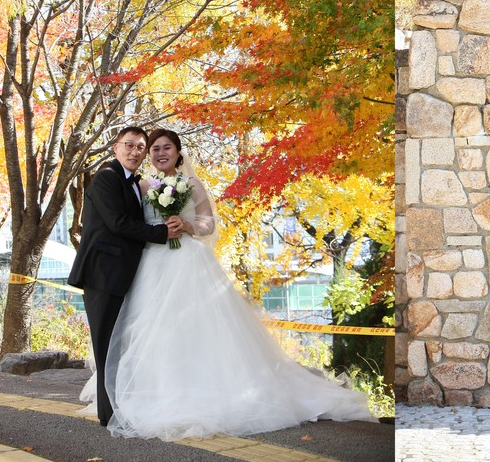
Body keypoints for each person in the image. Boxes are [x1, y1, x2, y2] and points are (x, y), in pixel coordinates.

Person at [95, 128, 375, 440]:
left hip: (187, 261)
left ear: (178, 152)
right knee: (149, 330)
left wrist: (186, 224)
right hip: (150, 263)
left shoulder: (192, 184)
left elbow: (208, 224)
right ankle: (153, 393)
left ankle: (205, 394)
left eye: (167, 148)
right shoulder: (141, 185)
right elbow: (130, 223)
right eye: (155, 149)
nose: (160, 153)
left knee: (197, 328)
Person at [67, 126, 183, 426]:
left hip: (121, 274)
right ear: (116, 148)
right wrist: (161, 232)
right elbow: (118, 223)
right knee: (107, 346)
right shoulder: (107, 177)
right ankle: (110, 416)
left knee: (117, 346)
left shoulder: (134, 183)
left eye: (140, 148)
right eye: (129, 145)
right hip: (102, 274)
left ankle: (118, 410)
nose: (134, 151)